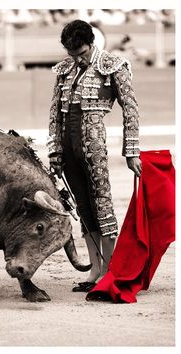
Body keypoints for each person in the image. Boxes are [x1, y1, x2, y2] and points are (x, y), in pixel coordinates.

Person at [47, 20, 141, 292]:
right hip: (67, 147)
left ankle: (109, 270)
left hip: (94, 145)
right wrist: (54, 150)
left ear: (92, 42)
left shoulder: (114, 65)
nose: (78, 59)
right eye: (72, 54)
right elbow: (55, 113)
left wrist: (131, 151)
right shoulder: (65, 69)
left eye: (82, 53)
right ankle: (95, 270)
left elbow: (131, 110)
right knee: (83, 207)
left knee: (101, 203)